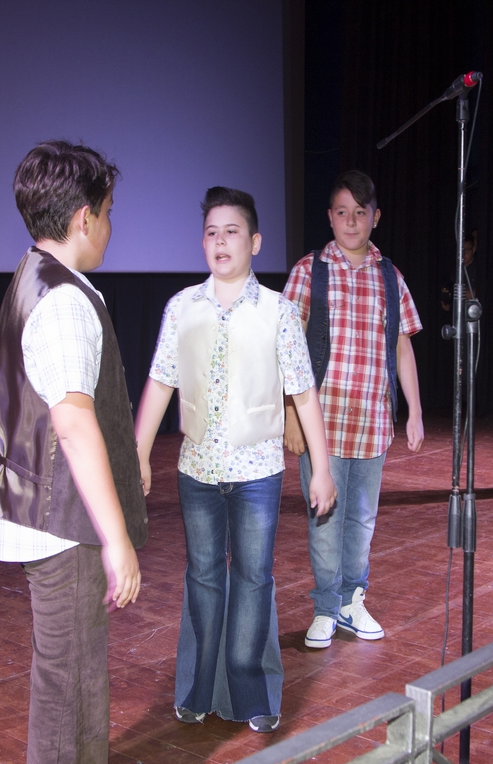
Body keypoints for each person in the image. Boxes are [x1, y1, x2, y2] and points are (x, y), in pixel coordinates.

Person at [134, 187, 336, 734]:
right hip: (197, 471)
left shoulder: (279, 311)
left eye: (232, 231)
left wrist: (321, 468)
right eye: (211, 232)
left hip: (257, 474)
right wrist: (139, 454)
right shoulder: (182, 307)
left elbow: (304, 393)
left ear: (255, 242)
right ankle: (197, 687)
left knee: (253, 579)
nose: (220, 241)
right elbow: (160, 383)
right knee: (202, 577)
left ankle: (252, 691)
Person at [0, 141, 148, 764]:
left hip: (50, 517)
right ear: (83, 218)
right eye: (108, 212)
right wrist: (116, 539)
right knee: (68, 683)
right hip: (62, 523)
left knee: (74, 673)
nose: (110, 226)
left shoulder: (34, 274)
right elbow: (72, 423)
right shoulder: (65, 300)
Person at [282, 170, 424, 650]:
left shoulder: (390, 276)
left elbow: (402, 346)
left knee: (362, 520)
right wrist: (291, 414)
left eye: (360, 213)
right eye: (342, 212)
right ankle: (325, 607)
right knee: (324, 519)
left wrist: (415, 411)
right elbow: (286, 347)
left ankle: (351, 600)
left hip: (372, 423)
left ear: (375, 217)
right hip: (321, 424)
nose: (350, 221)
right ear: (329, 217)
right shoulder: (310, 271)